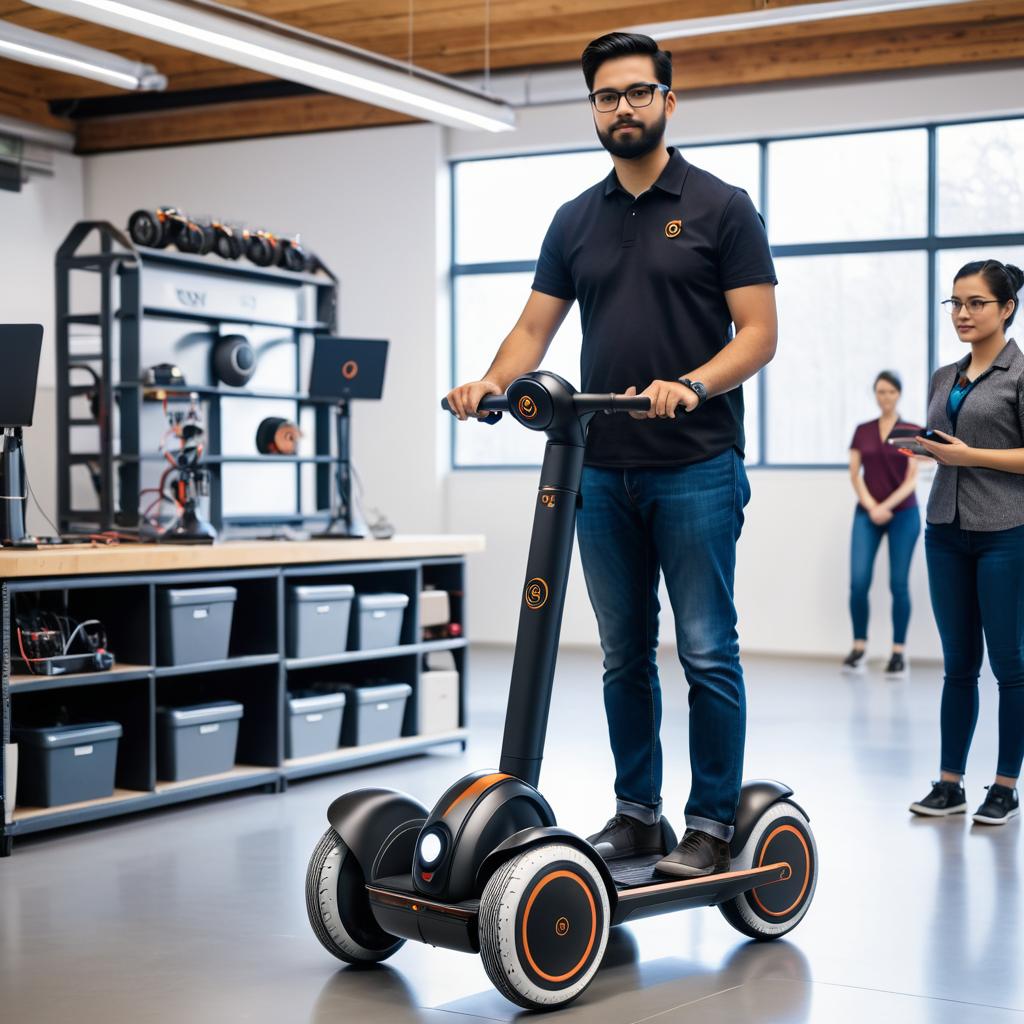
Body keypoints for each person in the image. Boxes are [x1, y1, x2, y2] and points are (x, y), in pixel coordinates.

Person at [446, 32, 778, 877]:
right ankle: (638, 816)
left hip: (696, 463)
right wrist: (487, 383)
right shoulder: (575, 220)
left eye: (637, 93)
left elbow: (760, 335)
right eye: (606, 96)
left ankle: (710, 825)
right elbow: (534, 329)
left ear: (670, 100)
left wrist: (694, 384)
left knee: (707, 650)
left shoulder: (722, 206)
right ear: (593, 109)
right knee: (623, 653)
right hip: (599, 466)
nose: (622, 108)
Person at [909, 259, 1024, 826]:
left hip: (1005, 531)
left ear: (1006, 309)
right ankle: (949, 782)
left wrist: (966, 455)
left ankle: (1004, 785)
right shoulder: (943, 376)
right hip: (945, 530)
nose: (961, 313)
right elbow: (948, 443)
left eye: (975, 303)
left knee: (1011, 665)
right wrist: (927, 448)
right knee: (959, 664)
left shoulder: (1019, 375)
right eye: (954, 302)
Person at [843, 371, 921, 679]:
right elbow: (854, 474)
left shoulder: (912, 431)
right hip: (867, 512)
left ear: (898, 394)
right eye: (879, 392)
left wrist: (886, 507)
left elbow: (912, 478)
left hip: (903, 513)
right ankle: (858, 647)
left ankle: (898, 653)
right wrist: (872, 506)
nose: (884, 397)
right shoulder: (862, 431)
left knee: (898, 584)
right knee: (858, 582)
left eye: (889, 392)